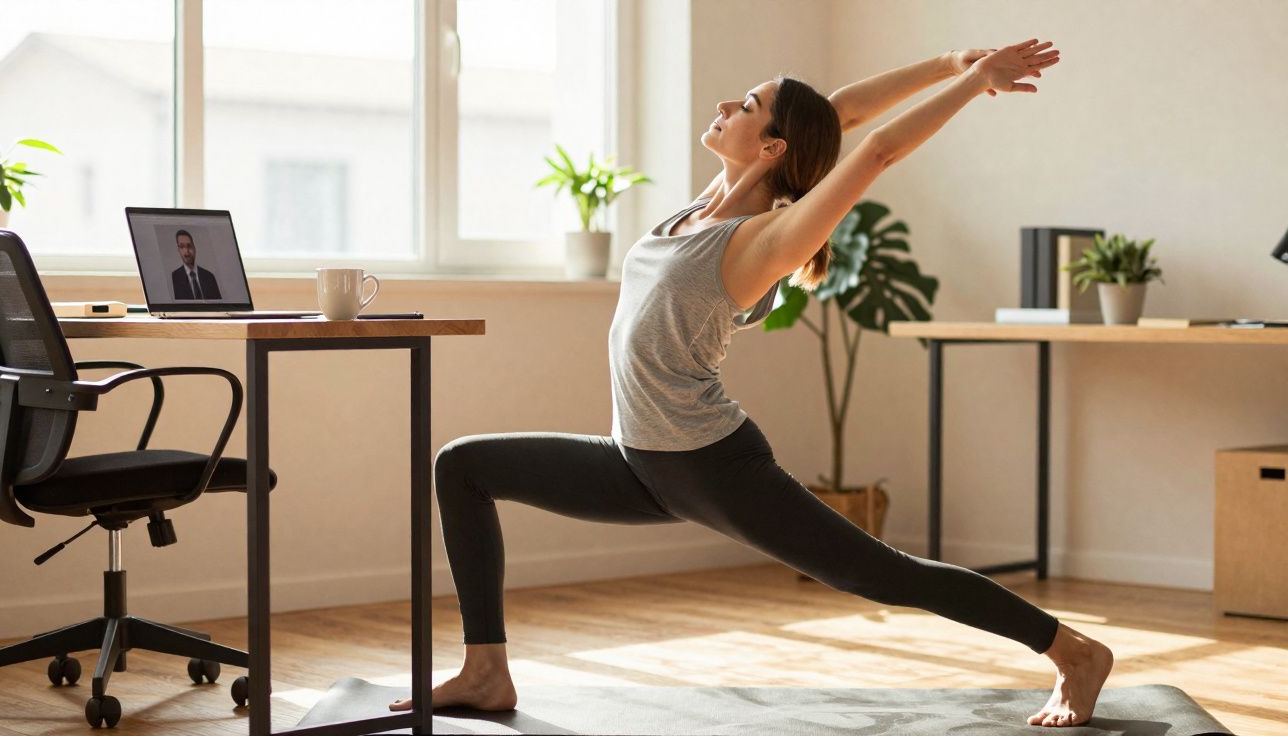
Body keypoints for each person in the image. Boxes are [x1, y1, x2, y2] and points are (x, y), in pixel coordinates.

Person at [393, 39, 1113, 729]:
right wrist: (950, 61)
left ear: (770, 149)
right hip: (639, 460)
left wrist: (974, 83)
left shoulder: (767, 239)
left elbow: (876, 148)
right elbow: (841, 110)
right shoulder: (706, 205)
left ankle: (1073, 651)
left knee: (884, 574)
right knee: (464, 466)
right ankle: (486, 669)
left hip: (712, 464)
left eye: (745, 105)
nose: (724, 105)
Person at [170, 229, 222, 300]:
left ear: (194, 248)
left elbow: (219, 306)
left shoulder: (209, 277)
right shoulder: (174, 277)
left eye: (189, 246)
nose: (186, 251)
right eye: (182, 247)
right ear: (178, 250)